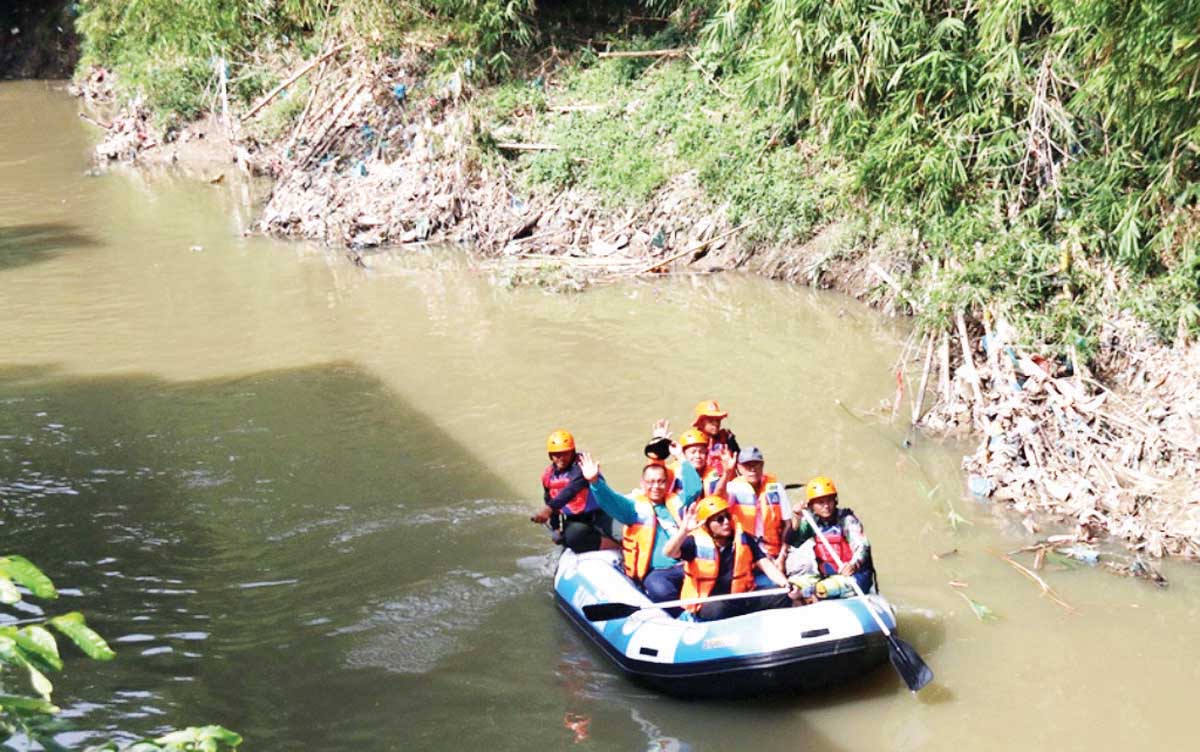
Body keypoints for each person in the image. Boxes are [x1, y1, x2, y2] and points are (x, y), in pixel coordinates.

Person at [577, 452, 688, 606]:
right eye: (651, 482)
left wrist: (683, 459)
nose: (656, 486)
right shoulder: (634, 508)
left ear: (667, 483)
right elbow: (611, 501)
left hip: (685, 564)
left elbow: (695, 490)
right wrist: (595, 482)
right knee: (661, 590)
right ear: (642, 484)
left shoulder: (677, 502)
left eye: (661, 482)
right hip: (656, 572)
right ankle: (681, 617)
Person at [664, 496, 799, 621]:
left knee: (782, 596)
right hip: (710, 601)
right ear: (707, 524)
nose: (727, 522)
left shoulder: (743, 537)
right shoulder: (694, 542)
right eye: (720, 519)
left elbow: (765, 564)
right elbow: (669, 552)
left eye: (727, 516)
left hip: (742, 596)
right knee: (719, 609)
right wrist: (683, 531)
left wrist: (785, 584)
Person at [785, 476, 875, 601]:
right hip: (827, 576)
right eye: (820, 503)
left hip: (854, 577)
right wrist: (796, 517)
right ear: (811, 505)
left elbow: (863, 546)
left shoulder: (846, 520)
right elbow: (793, 541)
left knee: (820, 588)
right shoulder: (813, 521)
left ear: (835, 500)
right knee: (791, 586)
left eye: (829, 501)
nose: (826, 506)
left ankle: (810, 595)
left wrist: (853, 565)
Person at [531, 430, 617, 554]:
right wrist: (555, 528)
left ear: (572, 452)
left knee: (624, 533)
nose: (561, 458)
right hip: (575, 519)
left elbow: (572, 489)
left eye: (565, 453)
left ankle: (621, 547)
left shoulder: (583, 466)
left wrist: (548, 509)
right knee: (571, 538)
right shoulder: (548, 476)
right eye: (556, 455)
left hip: (602, 513)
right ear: (550, 456)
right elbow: (550, 500)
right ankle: (611, 545)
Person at [724, 446, 791, 573]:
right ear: (738, 467)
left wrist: (782, 558)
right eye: (747, 465)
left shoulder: (776, 488)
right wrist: (727, 472)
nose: (752, 469)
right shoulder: (732, 488)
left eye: (756, 464)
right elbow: (715, 500)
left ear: (762, 465)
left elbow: (788, 525)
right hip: (745, 553)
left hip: (773, 553)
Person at [691, 400, 737, 478]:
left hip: (726, 480)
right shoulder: (691, 441)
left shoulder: (728, 438)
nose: (716, 423)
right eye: (711, 420)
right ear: (700, 422)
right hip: (702, 482)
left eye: (718, 420)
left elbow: (741, 462)